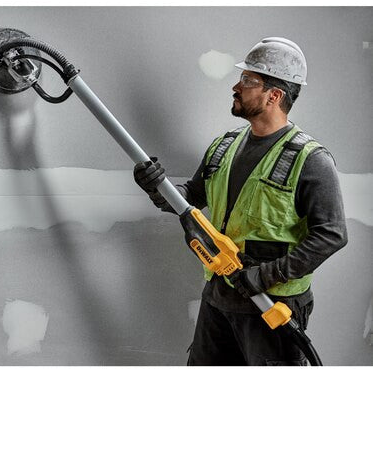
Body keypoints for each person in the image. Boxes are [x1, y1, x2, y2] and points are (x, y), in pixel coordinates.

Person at [134, 37, 348, 365]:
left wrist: (264, 276)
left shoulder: (310, 160)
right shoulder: (224, 146)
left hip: (270, 305)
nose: (236, 87)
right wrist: (156, 187)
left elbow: (332, 235)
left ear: (274, 95)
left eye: (248, 81)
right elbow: (191, 198)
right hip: (218, 298)